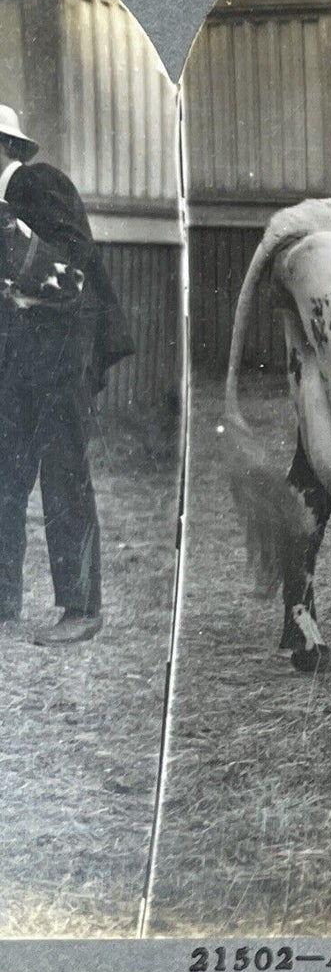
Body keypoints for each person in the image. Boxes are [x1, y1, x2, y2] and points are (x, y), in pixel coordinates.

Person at [0, 103, 131, 645]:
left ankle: (81, 608)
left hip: (59, 360)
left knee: (63, 479)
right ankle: (4, 603)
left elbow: (73, 266)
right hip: (22, 362)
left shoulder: (36, 182)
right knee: (6, 480)